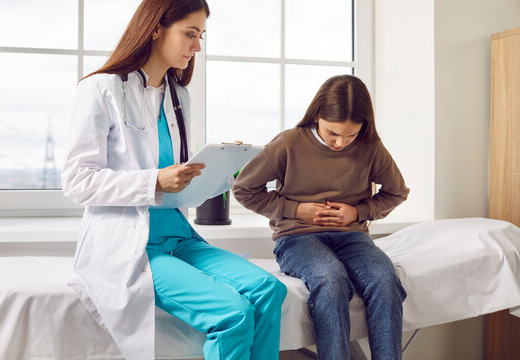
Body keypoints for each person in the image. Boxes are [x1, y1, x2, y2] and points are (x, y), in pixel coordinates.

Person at [62, 1, 287, 359]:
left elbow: (182, 186)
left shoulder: (179, 96)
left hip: (178, 236)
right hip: (132, 246)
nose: (197, 46)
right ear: (155, 28)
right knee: (232, 313)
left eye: (201, 36)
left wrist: (224, 170)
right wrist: (153, 181)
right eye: (190, 34)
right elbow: (77, 181)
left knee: (268, 290)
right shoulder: (100, 89)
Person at [233, 74, 409, 360]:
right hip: (296, 238)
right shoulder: (288, 143)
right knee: (330, 279)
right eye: (332, 133)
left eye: (350, 135)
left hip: (352, 237)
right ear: (316, 116)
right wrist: (295, 209)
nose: (341, 142)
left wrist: (358, 212)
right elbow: (244, 189)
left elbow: (396, 192)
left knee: (385, 280)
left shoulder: (371, 147)